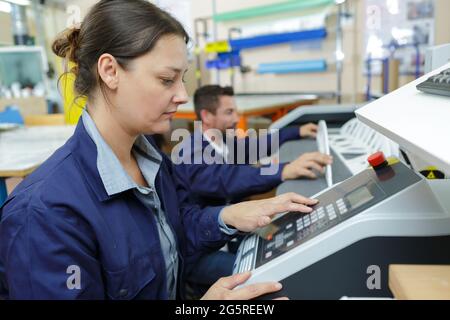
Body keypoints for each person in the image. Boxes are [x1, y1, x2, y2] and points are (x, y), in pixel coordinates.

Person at [0, 0, 318, 300]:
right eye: (167, 80)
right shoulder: (45, 216)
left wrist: (228, 216)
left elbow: (173, 231)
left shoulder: (153, 162)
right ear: (109, 71)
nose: (182, 96)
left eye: (183, 80)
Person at [172, 86, 332, 293]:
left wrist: (295, 132)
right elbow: (226, 179)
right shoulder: (191, 152)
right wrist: (283, 171)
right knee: (267, 275)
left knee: (280, 246)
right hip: (198, 251)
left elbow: (254, 146)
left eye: (236, 112)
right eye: (229, 112)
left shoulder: (221, 142)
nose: (236, 118)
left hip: (224, 234)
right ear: (207, 116)